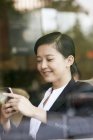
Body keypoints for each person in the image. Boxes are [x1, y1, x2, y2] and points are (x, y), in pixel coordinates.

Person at [1, 32, 93, 140]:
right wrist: (5, 122)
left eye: (49, 59)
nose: (43, 66)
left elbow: (84, 126)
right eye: (39, 60)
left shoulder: (83, 90)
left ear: (69, 60)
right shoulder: (38, 95)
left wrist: (34, 111)